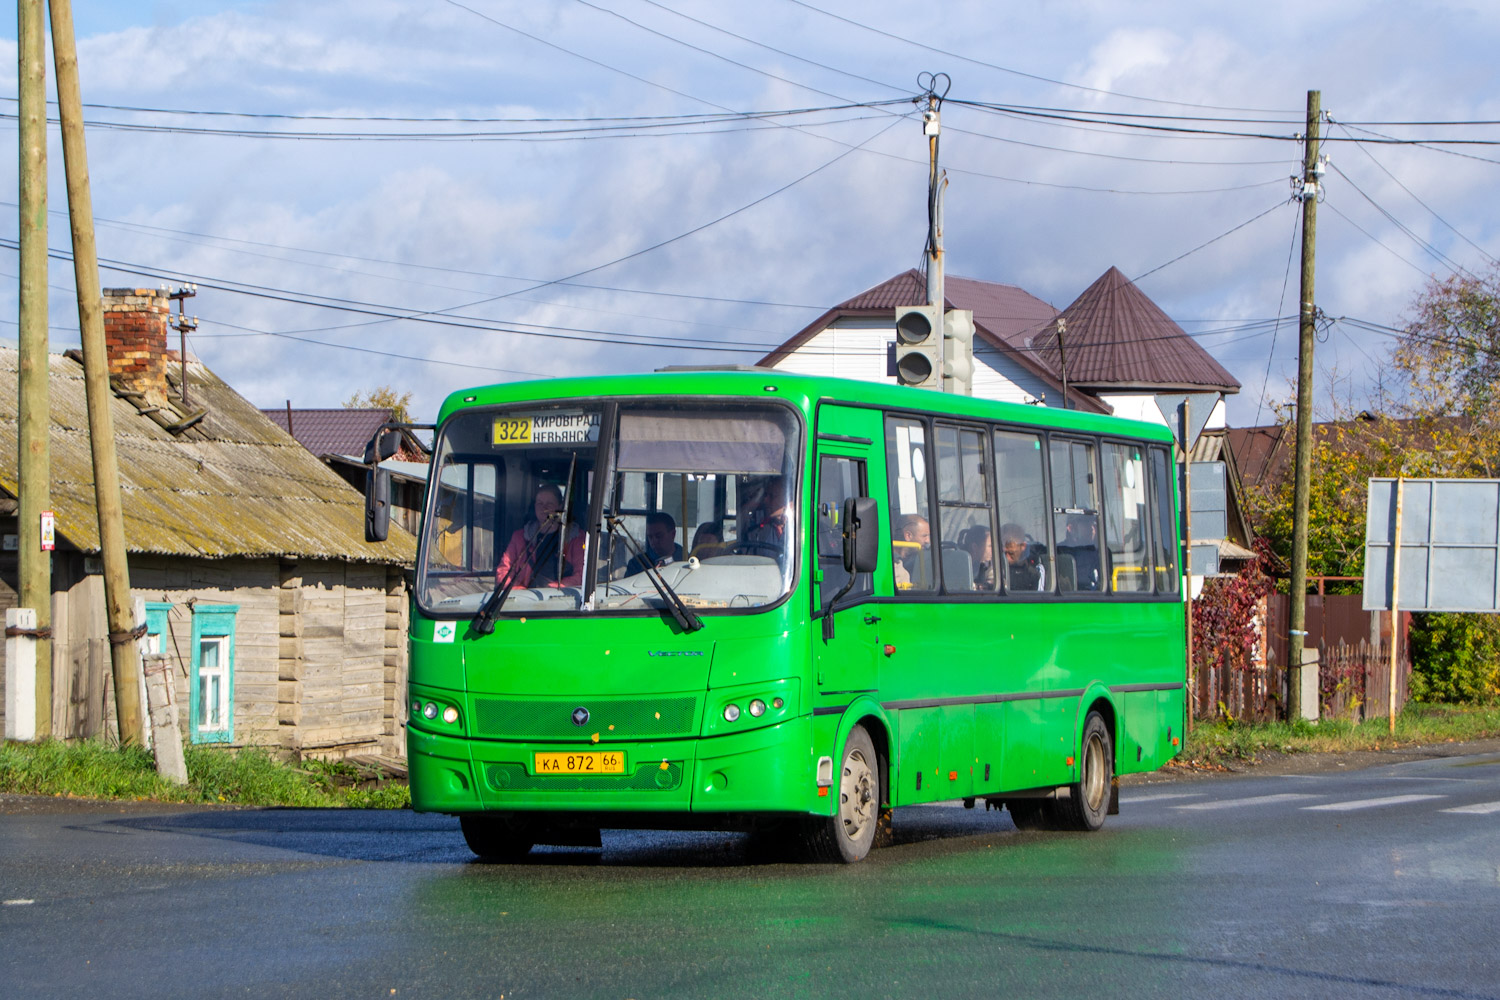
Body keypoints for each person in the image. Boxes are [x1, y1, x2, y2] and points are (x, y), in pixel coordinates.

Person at [495, 483, 585, 588]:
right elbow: (503, 571)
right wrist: (520, 591)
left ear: (560, 507)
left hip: (562, 599)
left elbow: (581, 575)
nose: (544, 508)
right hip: (525, 599)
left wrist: (553, 589)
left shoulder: (576, 538)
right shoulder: (519, 537)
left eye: (549, 504)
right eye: (540, 503)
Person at [739, 476, 789, 557]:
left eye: (772, 496)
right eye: (765, 495)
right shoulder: (755, 534)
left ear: (786, 499)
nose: (766, 500)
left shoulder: (803, 530)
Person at [626, 511, 684, 575]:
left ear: (673, 534)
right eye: (650, 537)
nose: (654, 541)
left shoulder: (687, 561)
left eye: (659, 536)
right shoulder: (637, 564)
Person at [1061, 514, 1101, 591]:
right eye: (1086, 524)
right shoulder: (1060, 550)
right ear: (1071, 528)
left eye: (1091, 524)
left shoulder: (1096, 552)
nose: (1091, 529)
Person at [1001, 522, 1044, 592]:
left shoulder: (1036, 569)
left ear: (1023, 546)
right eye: (1003, 552)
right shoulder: (995, 568)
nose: (1006, 557)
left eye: (1011, 553)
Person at [891, 514, 930, 589]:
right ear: (908, 536)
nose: (928, 541)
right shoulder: (894, 565)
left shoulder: (917, 560)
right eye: (924, 536)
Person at [963, 524, 995, 590]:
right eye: (990, 546)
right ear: (975, 547)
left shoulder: (987, 566)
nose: (994, 550)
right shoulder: (959, 566)